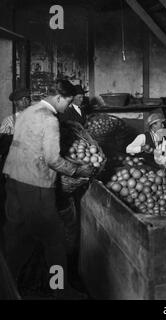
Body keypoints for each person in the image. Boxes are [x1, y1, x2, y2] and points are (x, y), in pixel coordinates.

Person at [2, 79, 94, 299]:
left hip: (13, 180)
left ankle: (6, 289)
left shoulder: (28, 112)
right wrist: (79, 171)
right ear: (59, 97)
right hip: (36, 186)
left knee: (15, 238)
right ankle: (61, 291)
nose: (66, 107)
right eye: (68, 102)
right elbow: (53, 160)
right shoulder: (49, 118)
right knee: (55, 241)